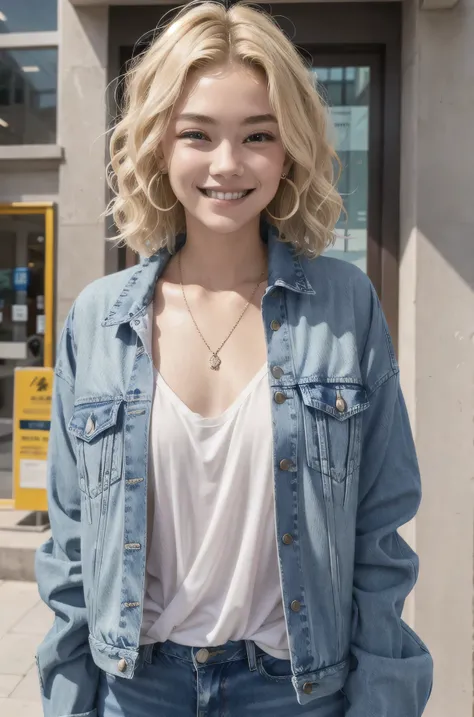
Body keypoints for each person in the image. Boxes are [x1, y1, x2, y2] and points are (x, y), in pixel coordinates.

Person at [35, 2, 433, 716]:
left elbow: (379, 538)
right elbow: (70, 549)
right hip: (137, 687)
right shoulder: (98, 319)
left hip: (296, 691)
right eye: (197, 134)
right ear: (161, 144)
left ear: (291, 151)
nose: (227, 163)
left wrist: (382, 699)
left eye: (257, 135)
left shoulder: (344, 307)